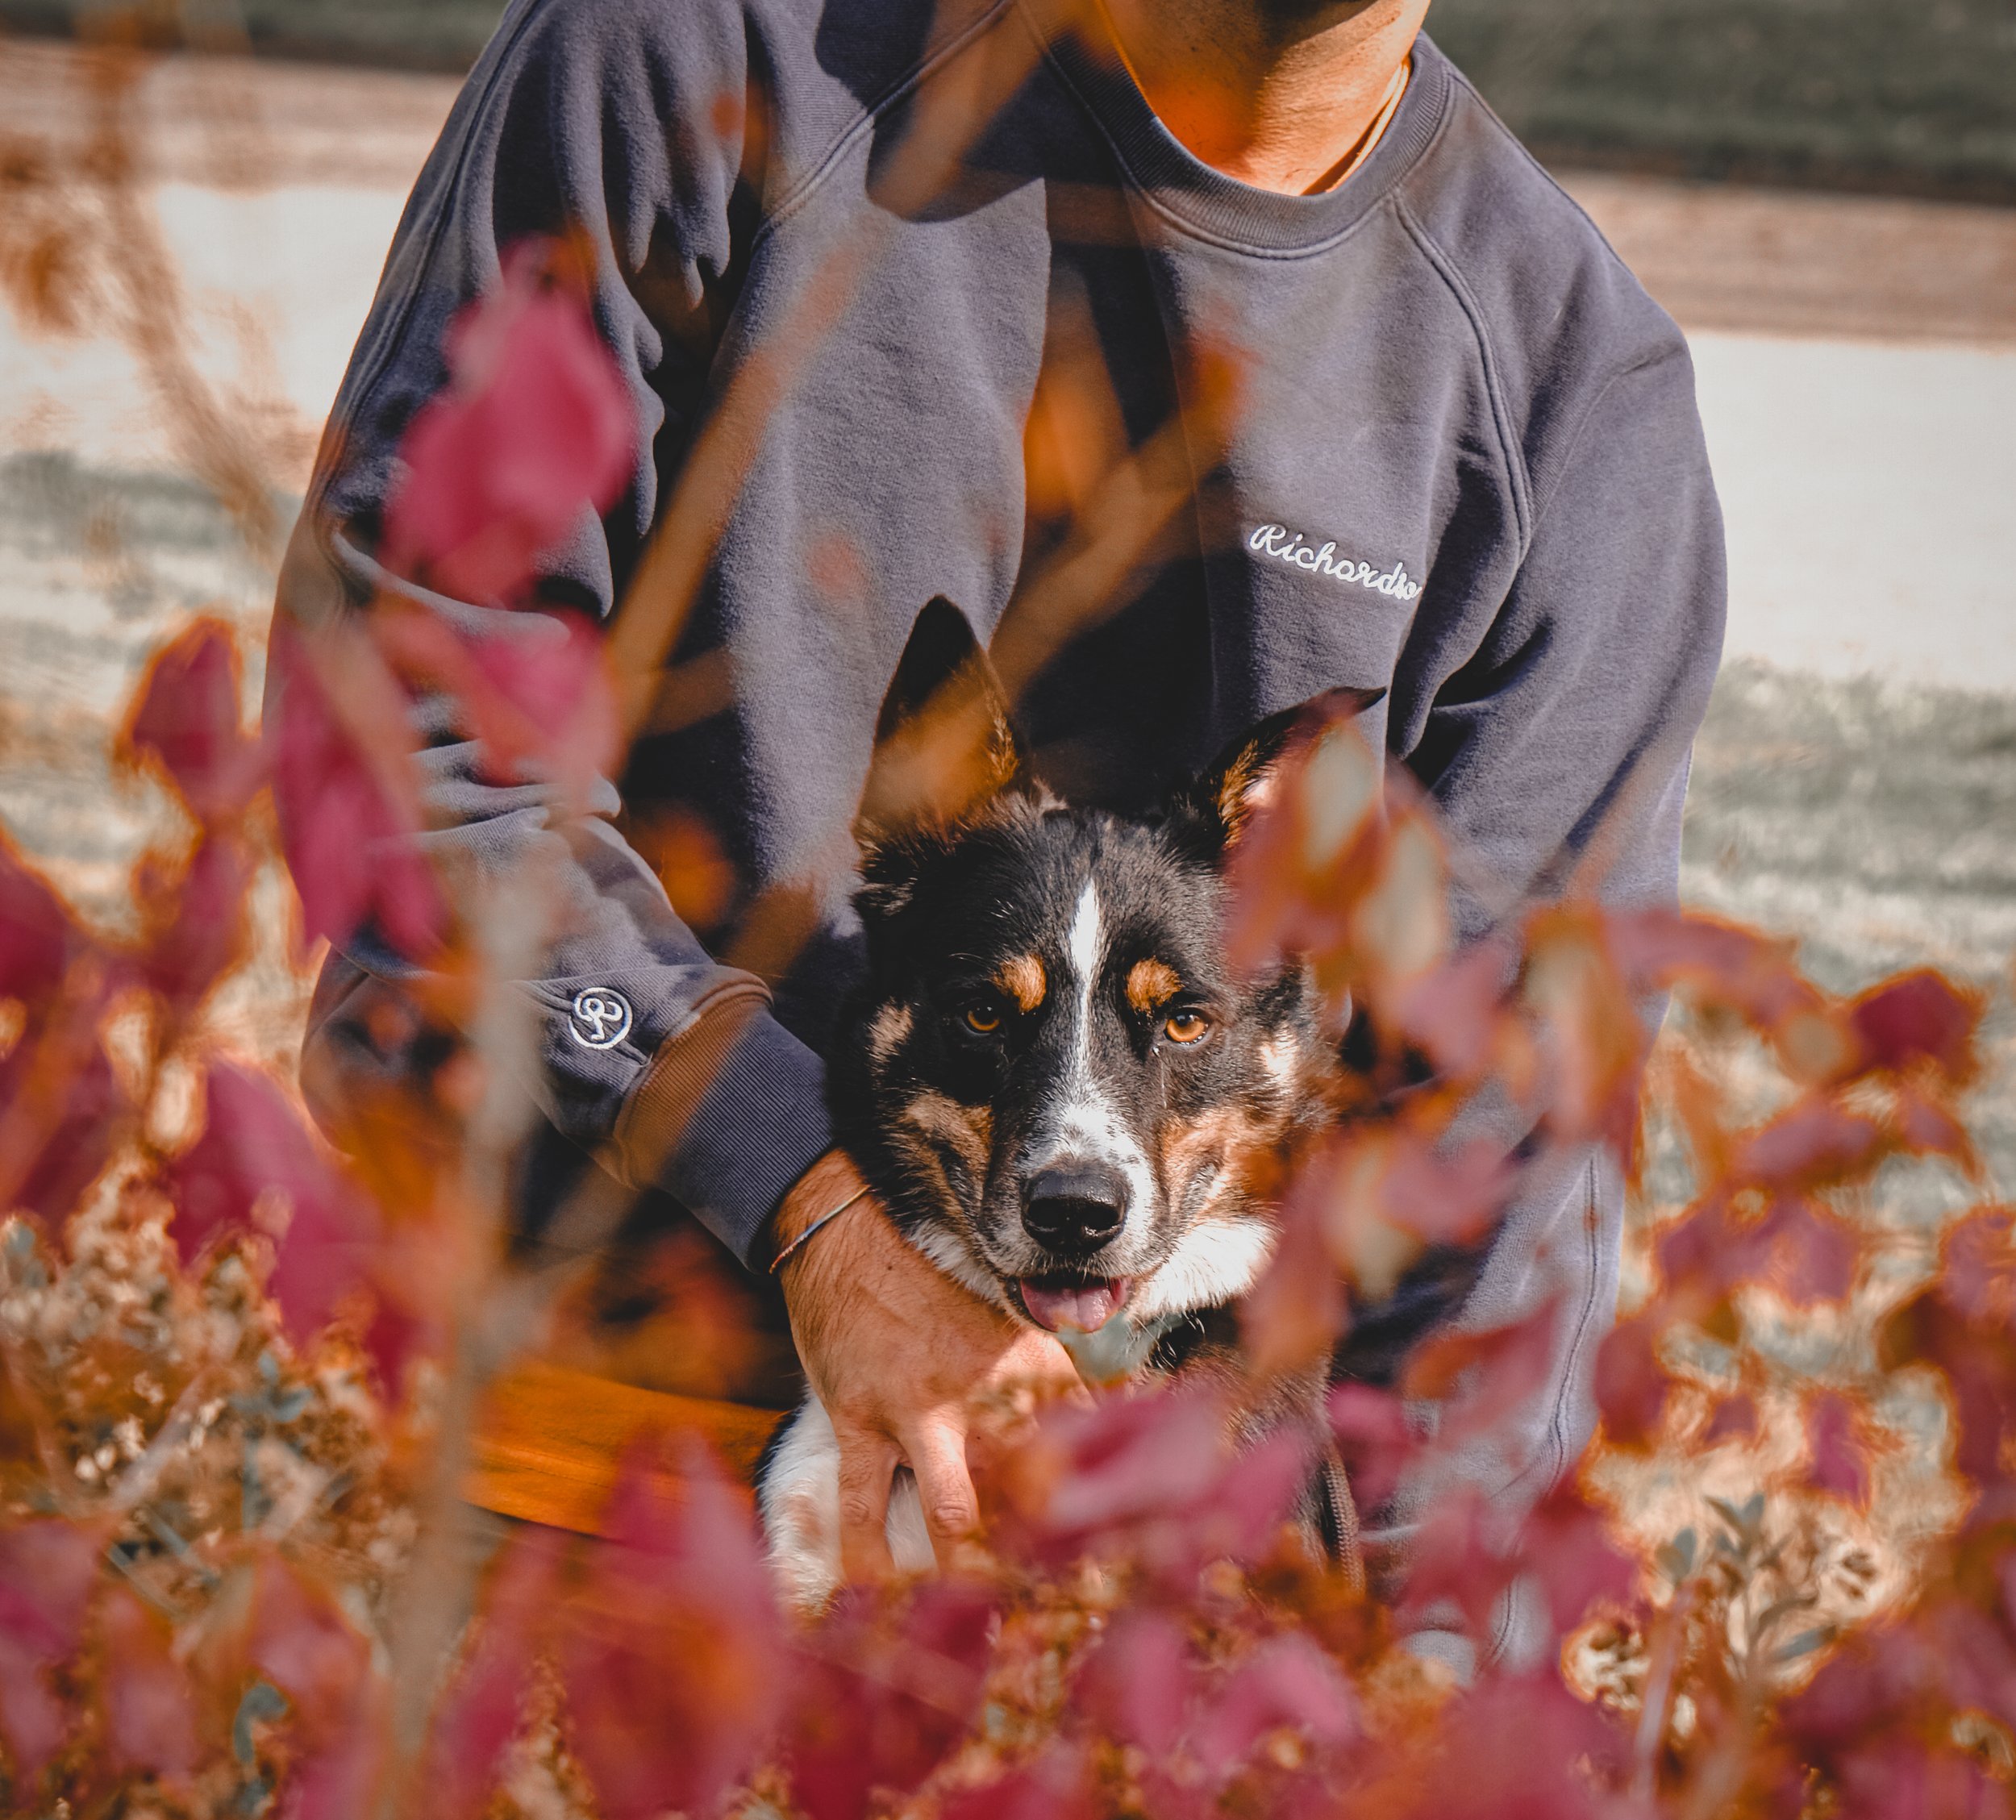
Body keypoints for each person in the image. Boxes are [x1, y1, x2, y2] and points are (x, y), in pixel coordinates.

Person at [274, 0, 1725, 1622]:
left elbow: (1490, 1174)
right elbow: (404, 721)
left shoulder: (1574, 402)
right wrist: (798, 1188)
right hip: (555, 1476)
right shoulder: (694, 55)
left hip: (1142, 1619)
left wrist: (1418, 1702)